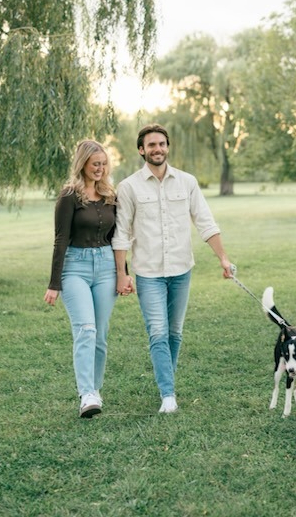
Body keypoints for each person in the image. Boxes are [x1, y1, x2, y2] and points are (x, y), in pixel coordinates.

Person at [112, 123, 232, 414]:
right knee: (157, 332)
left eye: (162, 144)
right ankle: (168, 394)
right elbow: (121, 234)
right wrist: (122, 273)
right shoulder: (129, 187)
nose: (157, 149)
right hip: (148, 272)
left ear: (168, 147)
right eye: (151, 145)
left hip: (181, 269)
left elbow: (205, 221)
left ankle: (168, 381)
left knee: (175, 332)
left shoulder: (187, 182)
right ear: (141, 150)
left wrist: (223, 259)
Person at [44, 139, 133, 418]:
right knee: (86, 329)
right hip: (75, 268)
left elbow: (118, 238)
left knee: (101, 334)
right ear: (83, 163)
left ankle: (95, 390)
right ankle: (87, 395)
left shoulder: (110, 195)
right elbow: (60, 240)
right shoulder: (69, 195)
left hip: (106, 266)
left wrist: (124, 274)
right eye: (96, 164)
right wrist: (54, 283)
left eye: (104, 164)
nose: (100, 168)